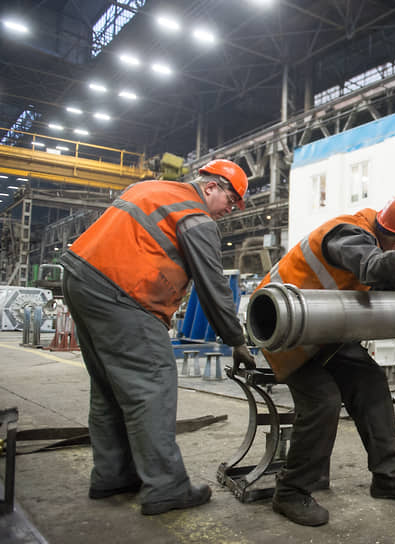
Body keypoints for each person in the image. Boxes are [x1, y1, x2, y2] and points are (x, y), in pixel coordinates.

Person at [256, 191, 395, 526]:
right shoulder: (346, 235)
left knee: (372, 384)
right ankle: (291, 491)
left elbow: (377, 279)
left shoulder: (375, 239)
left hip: (324, 333)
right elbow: (374, 268)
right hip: (283, 331)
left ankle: (389, 479)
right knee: (323, 400)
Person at [60, 159, 257, 516]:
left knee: (108, 387)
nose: (231, 208)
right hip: (121, 293)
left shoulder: (151, 189)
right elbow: (213, 287)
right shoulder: (196, 218)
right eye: (231, 198)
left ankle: (114, 475)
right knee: (153, 384)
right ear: (210, 186)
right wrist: (236, 340)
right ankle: (166, 487)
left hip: (80, 279)